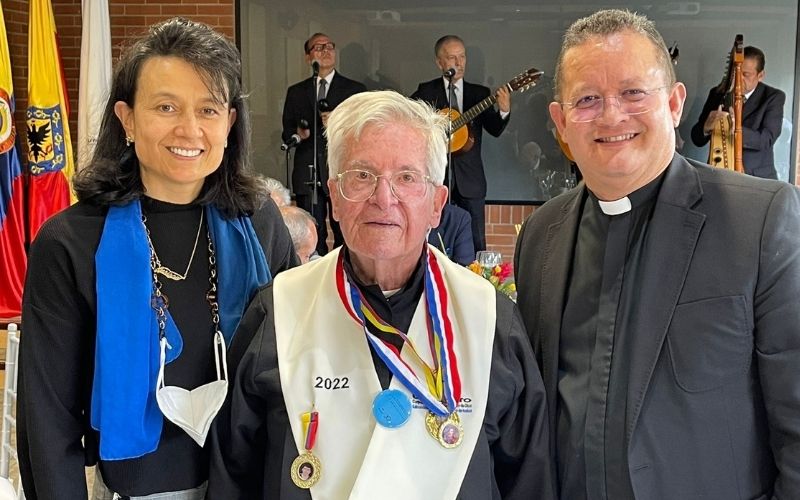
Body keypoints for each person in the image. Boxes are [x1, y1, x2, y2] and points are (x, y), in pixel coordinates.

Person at [208, 90, 553, 499]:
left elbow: (530, 481)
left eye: (407, 177)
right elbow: (233, 474)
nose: (383, 198)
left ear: (437, 205)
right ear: (334, 197)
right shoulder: (279, 309)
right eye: (362, 175)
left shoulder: (489, 318)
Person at [514, 9, 800, 500]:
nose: (610, 115)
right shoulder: (541, 235)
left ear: (673, 103)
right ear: (561, 123)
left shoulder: (761, 221)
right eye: (587, 99)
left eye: (632, 93)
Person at [17, 17, 298, 500]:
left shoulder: (260, 223)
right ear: (126, 119)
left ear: (229, 123)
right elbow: (47, 415)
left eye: (208, 109)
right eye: (165, 106)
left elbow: (294, 368)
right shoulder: (70, 242)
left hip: (254, 484)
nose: (189, 129)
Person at [411, 35, 511, 252]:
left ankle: (476, 282)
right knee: (435, 237)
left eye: (462, 57)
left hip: (470, 178)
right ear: (440, 63)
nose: (459, 63)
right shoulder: (426, 92)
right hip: (437, 176)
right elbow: (411, 124)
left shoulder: (480, 94)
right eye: (452, 58)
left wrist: (503, 109)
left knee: (476, 241)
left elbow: (495, 129)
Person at [281, 33, 366, 256]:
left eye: (330, 46)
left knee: (343, 225)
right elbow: (286, 131)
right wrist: (299, 133)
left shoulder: (354, 89)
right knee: (311, 227)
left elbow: (363, 129)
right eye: (318, 48)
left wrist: (338, 124)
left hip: (341, 167)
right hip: (308, 168)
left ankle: (344, 269)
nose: (326, 51)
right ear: (308, 57)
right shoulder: (297, 91)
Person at [690, 46, 785, 179]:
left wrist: (737, 129)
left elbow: (766, 139)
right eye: (737, 73)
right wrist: (706, 127)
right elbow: (696, 138)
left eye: (746, 75)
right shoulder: (717, 94)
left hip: (758, 179)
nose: (739, 79)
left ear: (760, 75)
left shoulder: (773, 97)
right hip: (720, 175)